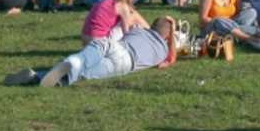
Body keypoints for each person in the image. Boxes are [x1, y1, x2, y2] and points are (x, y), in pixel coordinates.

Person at [37, 16, 177, 87]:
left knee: (96, 49)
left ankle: (47, 72)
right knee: (88, 73)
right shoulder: (162, 51)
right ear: (168, 37)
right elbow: (171, 59)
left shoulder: (139, 30)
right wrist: (173, 32)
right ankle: (61, 79)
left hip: (119, 47)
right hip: (127, 64)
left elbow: (125, 36)